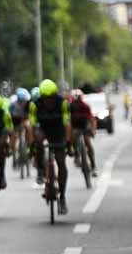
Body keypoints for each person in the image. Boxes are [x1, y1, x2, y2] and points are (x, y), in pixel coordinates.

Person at [29, 79, 71, 214]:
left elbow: (67, 124)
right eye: (45, 99)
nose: (48, 101)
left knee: (61, 162)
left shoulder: (62, 103)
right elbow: (32, 126)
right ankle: (41, 170)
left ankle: (63, 197)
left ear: (55, 96)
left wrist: (68, 142)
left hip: (58, 131)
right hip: (43, 130)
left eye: (51, 98)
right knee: (38, 140)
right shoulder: (35, 105)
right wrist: (32, 144)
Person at [68, 89, 97, 174]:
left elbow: (92, 119)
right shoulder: (69, 107)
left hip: (84, 126)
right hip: (74, 127)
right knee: (72, 136)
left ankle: (93, 165)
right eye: (75, 98)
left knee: (88, 142)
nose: (77, 101)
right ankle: (76, 155)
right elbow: (67, 121)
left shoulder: (85, 106)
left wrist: (93, 130)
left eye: (79, 98)